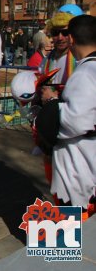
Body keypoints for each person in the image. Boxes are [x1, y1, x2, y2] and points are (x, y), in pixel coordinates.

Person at [35, 14, 96, 221]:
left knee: (73, 219)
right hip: (86, 158)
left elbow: (75, 120)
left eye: (65, 33)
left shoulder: (84, 72)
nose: (60, 38)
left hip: (79, 163)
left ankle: (67, 251)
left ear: (72, 39)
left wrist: (52, 103)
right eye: (55, 33)